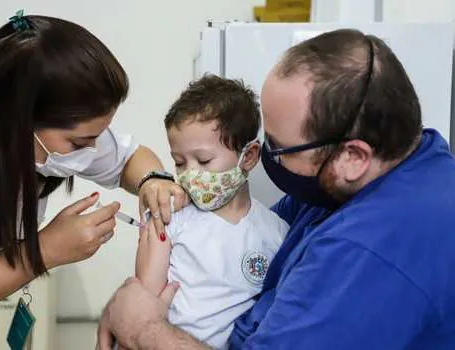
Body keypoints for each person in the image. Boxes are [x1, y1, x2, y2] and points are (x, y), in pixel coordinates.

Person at [97, 29, 455, 349]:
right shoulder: (403, 163)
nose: (268, 159)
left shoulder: (370, 251)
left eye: (280, 149)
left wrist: (144, 327)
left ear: (353, 155)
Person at [0, 11, 186, 350]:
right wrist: (44, 252)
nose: (92, 152)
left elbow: (130, 158)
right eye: (80, 144)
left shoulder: (17, 101)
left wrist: (154, 179)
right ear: (20, 120)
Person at [130, 75, 289, 349]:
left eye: (204, 160)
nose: (191, 174)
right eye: (180, 162)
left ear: (249, 156)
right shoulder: (168, 219)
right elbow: (140, 312)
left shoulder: (277, 231)